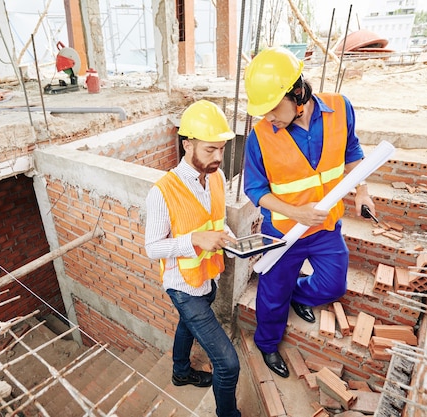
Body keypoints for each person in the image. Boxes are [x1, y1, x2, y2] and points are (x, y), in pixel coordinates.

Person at [242, 47, 375, 378]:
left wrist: (362, 191)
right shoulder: (259, 136)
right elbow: (255, 191)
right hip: (283, 233)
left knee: (333, 285)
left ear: (297, 92)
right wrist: (294, 212)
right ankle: (267, 344)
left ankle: (298, 294)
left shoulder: (340, 108)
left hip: (325, 226)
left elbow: (352, 152)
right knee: (272, 296)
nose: (268, 117)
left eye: (273, 108)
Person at [145, 100, 242, 417]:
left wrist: (228, 236)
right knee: (227, 364)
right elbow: (152, 248)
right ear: (188, 144)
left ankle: (180, 371)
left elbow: (215, 219)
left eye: (222, 150)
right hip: (183, 288)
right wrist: (193, 241)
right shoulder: (162, 191)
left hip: (208, 278)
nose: (218, 158)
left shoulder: (216, 177)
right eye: (210, 150)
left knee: (186, 327)